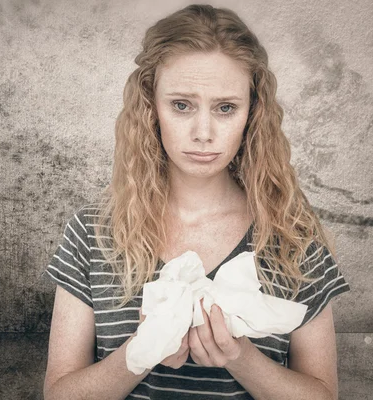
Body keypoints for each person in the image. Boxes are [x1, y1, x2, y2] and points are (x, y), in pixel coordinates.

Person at [42, 4, 350, 399]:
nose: (203, 133)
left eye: (225, 108)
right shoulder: (92, 232)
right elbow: (58, 395)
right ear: (151, 108)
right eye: (182, 105)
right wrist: (138, 354)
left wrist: (240, 357)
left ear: (251, 114)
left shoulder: (294, 237)